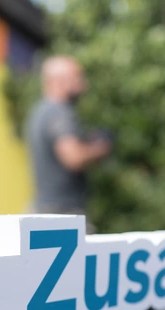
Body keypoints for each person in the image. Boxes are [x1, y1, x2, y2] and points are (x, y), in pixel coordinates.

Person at [25, 56, 112, 225]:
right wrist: (101, 148)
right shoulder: (59, 112)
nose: (84, 83)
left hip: (47, 209)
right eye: (77, 77)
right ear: (60, 80)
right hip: (62, 214)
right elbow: (73, 157)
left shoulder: (41, 110)